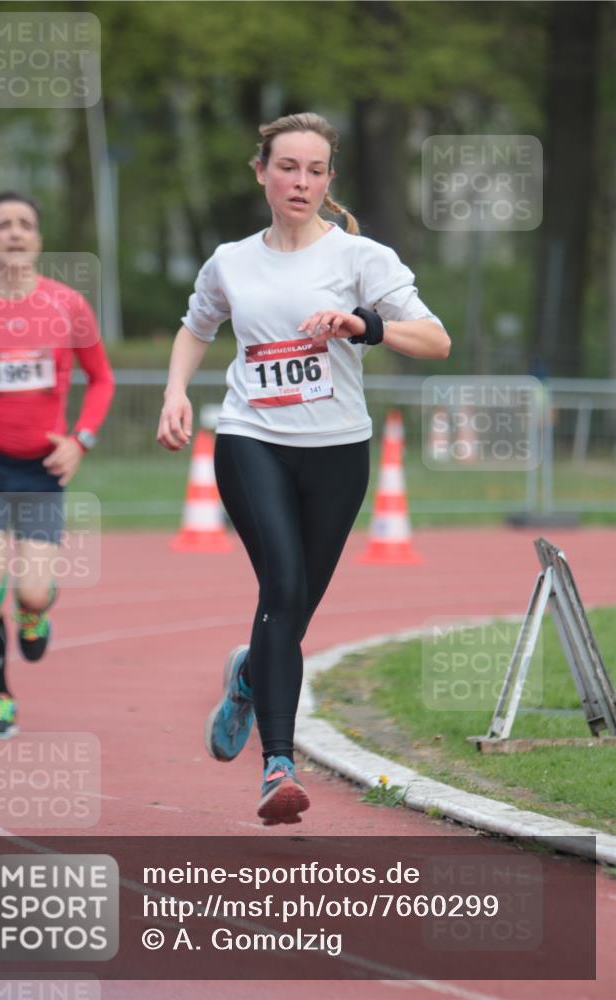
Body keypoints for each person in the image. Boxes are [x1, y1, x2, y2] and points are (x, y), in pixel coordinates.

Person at [157, 112, 450, 825]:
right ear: (260, 172)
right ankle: (278, 767)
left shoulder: (360, 258)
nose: (301, 182)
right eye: (287, 167)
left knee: (292, 610)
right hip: (250, 436)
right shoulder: (230, 260)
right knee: (281, 585)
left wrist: (361, 325)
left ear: (329, 180)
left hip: (339, 451)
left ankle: (250, 675)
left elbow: (436, 340)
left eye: (316, 170)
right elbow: (197, 326)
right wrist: (173, 394)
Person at [0, 192, 114, 739]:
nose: (15, 233)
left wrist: (80, 441)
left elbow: (102, 380)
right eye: (3, 225)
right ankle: (0, 698)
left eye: (25, 224)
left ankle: (35, 610)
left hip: (41, 471)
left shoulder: (68, 306)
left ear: (38, 239)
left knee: (33, 591)